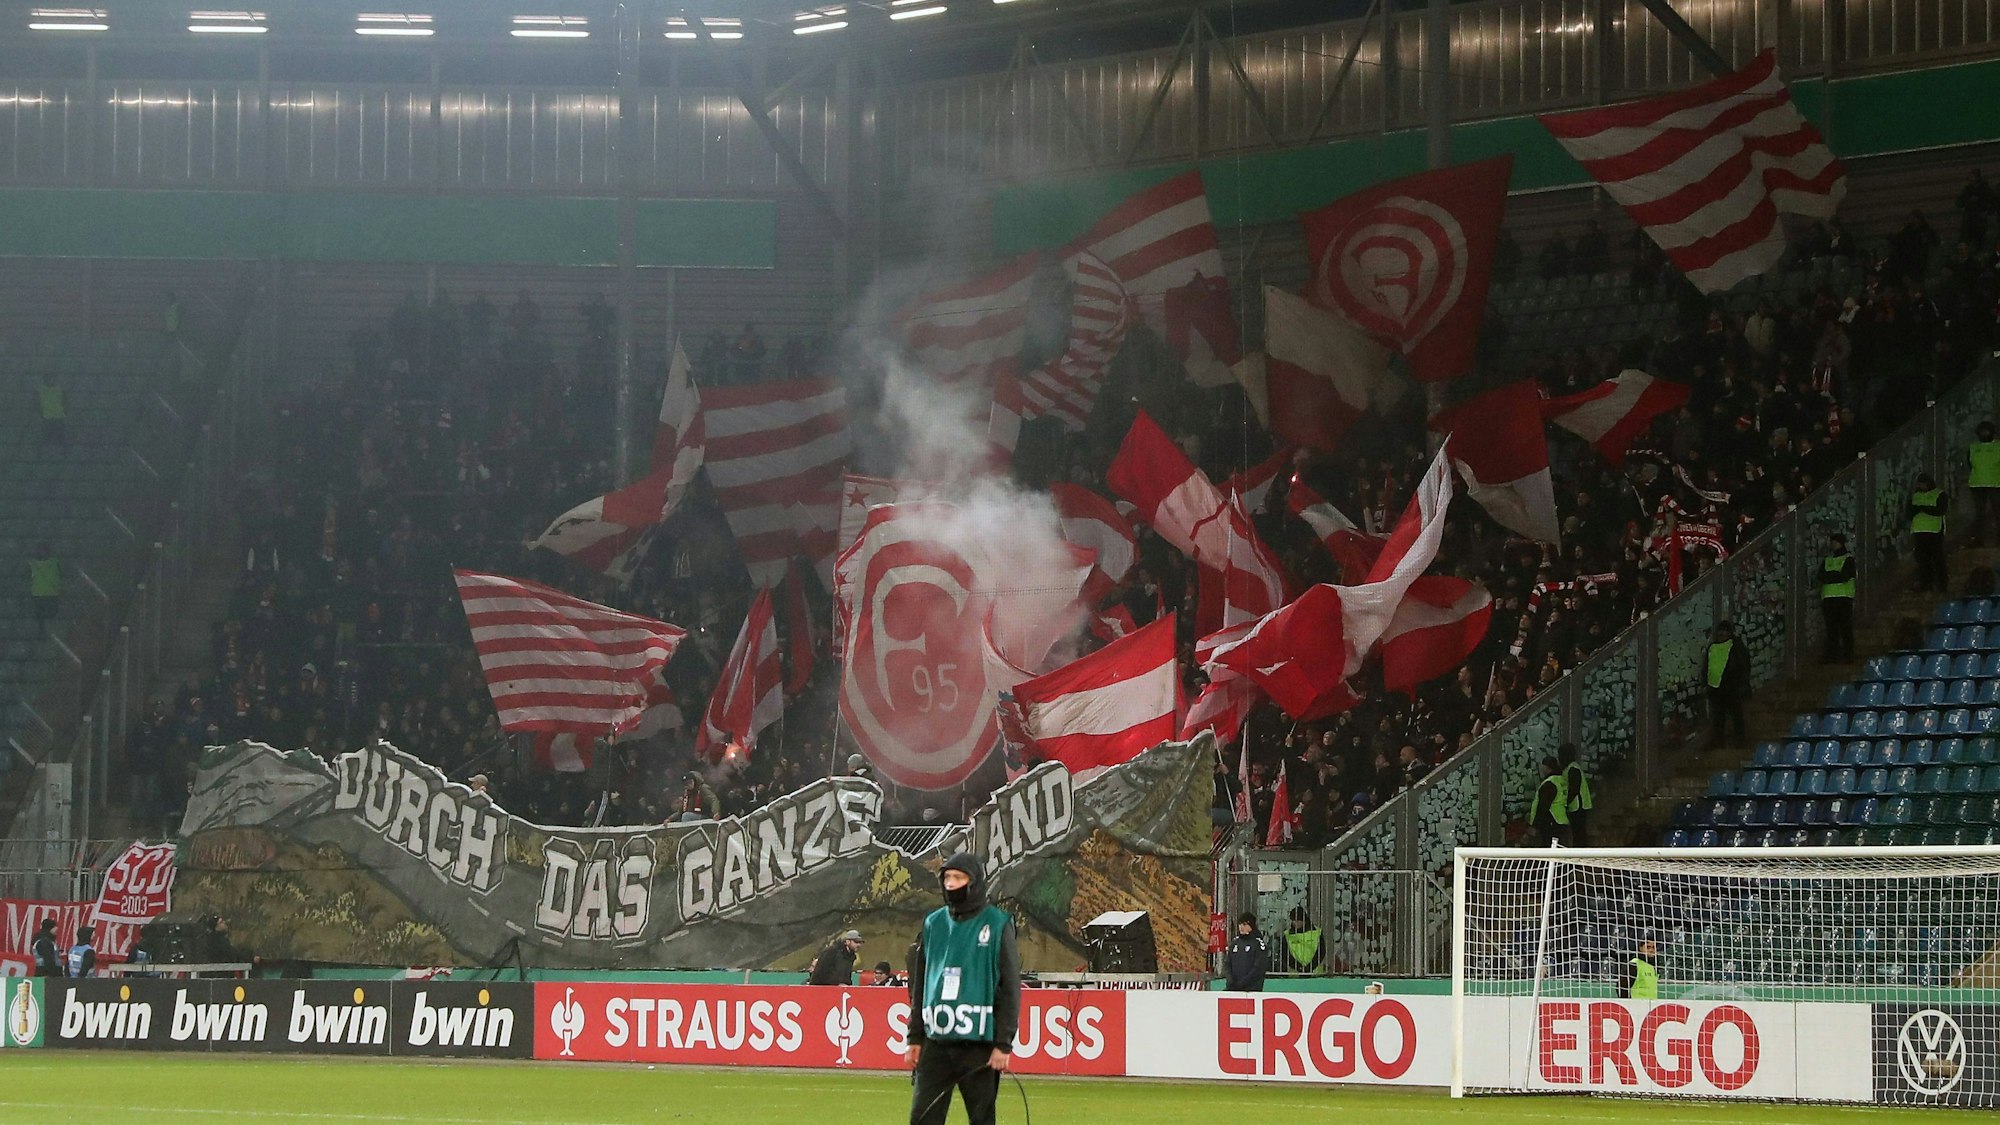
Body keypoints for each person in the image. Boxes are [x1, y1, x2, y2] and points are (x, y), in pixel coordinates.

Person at [906, 853, 1021, 1125]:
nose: (951, 883)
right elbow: (920, 985)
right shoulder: (933, 923)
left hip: (978, 1046)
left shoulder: (997, 923)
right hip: (936, 1044)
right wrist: (914, 1037)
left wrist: (1003, 1044)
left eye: (958, 878)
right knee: (921, 1118)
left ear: (974, 881)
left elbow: (1010, 988)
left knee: (982, 1120)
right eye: (947, 877)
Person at [1704, 621, 1750, 747]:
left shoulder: (1736, 646)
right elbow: (1707, 666)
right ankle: (1718, 739)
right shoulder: (1712, 647)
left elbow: (1743, 665)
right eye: (1721, 631)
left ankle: (1739, 739)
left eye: (1725, 631)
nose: (1722, 634)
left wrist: (1743, 684)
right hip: (1715, 688)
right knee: (1718, 716)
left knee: (1736, 714)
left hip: (1732, 687)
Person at [1910, 473, 1950, 593]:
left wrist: (1922, 509)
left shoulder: (1939, 494)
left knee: (1937, 559)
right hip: (1918, 531)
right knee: (1922, 560)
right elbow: (1909, 512)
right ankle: (1926, 584)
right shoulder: (1915, 495)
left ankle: (1942, 585)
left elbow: (1940, 510)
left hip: (1934, 531)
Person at [1821, 532, 1857, 663]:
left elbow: (1845, 575)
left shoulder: (1848, 558)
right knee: (1832, 629)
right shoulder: (1828, 560)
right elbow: (1821, 576)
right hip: (1829, 598)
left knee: (1845, 628)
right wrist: (1835, 575)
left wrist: (1831, 575)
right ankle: (1832, 655)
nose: (1832, 544)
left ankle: (1848, 655)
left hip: (1843, 597)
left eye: (1835, 542)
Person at [1971, 422, 2000, 546]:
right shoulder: (1973, 447)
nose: (1984, 434)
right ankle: (1978, 539)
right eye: (1982, 432)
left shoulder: (1998, 446)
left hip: (1995, 484)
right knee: (1979, 515)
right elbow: (1970, 463)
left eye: (1986, 431)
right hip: (1977, 484)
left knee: (1997, 512)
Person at [1529, 757, 1570, 845]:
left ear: (1546, 767)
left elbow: (1543, 807)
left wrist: (1535, 826)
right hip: (1561, 820)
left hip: (1551, 821)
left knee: (1549, 850)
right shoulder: (1561, 780)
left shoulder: (1550, 783)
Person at [1223, 912, 1267, 992]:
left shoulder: (1258, 943)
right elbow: (1227, 963)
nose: (1241, 927)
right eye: (1240, 924)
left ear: (1251, 926)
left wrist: (1242, 983)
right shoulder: (1235, 942)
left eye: (1244, 924)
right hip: (1233, 989)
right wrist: (1230, 980)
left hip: (1251, 990)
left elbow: (1259, 968)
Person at [1560, 743, 1592, 846]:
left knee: (1579, 834)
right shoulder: (1570, 768)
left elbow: (1574, 789)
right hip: (1576, 806)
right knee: (1578, 833)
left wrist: (1565, 802)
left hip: (1578, 806)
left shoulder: (1573, 768)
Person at [1275, 906, 1323, 975]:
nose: (1295, 923)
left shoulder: (1317, 932)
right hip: (1295, 974)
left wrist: (1311, 966)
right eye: (1293, 920)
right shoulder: (1287, 935)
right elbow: (1285, 954)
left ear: (1304, 920)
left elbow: (1321, 952)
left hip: (1315, 973)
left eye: (1297, 921)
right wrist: (1298, 967)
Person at [28, 544, 59, 629]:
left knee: (50, 615)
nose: (43, 553)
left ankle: (48, 631)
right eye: (41, 551)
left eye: (45, 550)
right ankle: (43, 631)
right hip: (39, 594)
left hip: (51, 594)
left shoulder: (55, 562)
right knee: (41, 617)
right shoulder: (32, 563)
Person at [35, 371, 65, 445]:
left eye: (54, 378)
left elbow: (65, 402)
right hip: (46, 417)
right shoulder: (39, 390)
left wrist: (64, 412)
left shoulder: (60, 390)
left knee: (59, 436)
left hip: (59, 416)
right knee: (46, 436)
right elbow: (36, 403)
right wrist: (40, 413)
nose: (52, 380)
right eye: (50, 378)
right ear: (45, 379)